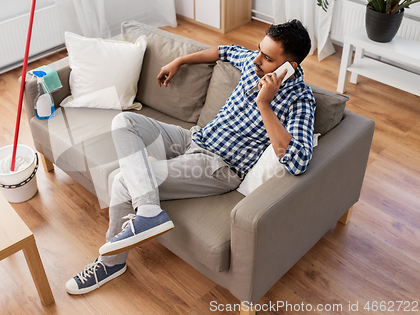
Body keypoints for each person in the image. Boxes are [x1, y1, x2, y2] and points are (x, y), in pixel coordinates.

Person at [65, 19, 316, 295]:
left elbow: (297, 160)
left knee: (124, 182)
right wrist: (181, 61)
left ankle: (110, 264)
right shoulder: (252, 62)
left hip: (218, 166)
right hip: (194, 138)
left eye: (267, 58)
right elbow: (225, 51)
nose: (256, 59)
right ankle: (149, 212)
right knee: (125, 122)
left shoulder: (300, 100)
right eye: (259, 50)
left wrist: (264, 104)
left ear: (288, 67)